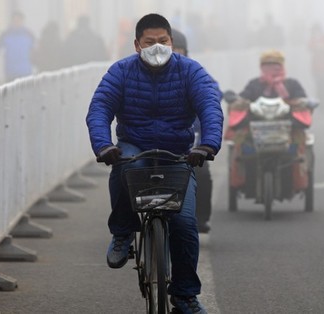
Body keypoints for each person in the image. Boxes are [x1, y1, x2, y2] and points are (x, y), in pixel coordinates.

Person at [85, 13, 223, 314]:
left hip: (178, 151)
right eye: (150, 42)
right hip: (136, 145)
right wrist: (103, 145)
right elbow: (99, 108)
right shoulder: (120, 72)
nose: (157, 47)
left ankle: (185, 296)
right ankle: (123, 232)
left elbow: (210, 106)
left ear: (171, 42)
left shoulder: (191, 71)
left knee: (185, 224)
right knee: (125, 167)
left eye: (163, 41)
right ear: (137, 45)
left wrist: (207, 144)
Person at [226, 50, 312, 193]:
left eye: (275, 65)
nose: (272, 69)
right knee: (238, 142)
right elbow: (242, 98)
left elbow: (302, 99)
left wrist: (301, 103)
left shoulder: (292, 85)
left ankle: (300, 176)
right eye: (268, 65)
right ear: (261, 67)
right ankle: (239, 178)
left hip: (288, 129)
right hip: (254, 130)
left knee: (301, 142)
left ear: (282, 66)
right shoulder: (254, 85)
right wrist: (236, 100)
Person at [172, 27, 213, 234]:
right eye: (170, 48)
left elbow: (213, 93)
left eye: (178, 49)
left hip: (190, 141)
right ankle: (127, 228)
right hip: (154, 144)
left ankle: (201, 218)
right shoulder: (141, 74)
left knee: (202, 172)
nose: (175, 53)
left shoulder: (196, 72)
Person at [0, 11, 35, 82]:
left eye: (19, 20)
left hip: (26, 72)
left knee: (25, 92)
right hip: (11, 72)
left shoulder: (29, 34)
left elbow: (36, 50)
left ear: (22, 21)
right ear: (12, 21)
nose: (17, 22)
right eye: (15, 20)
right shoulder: (6, 34)